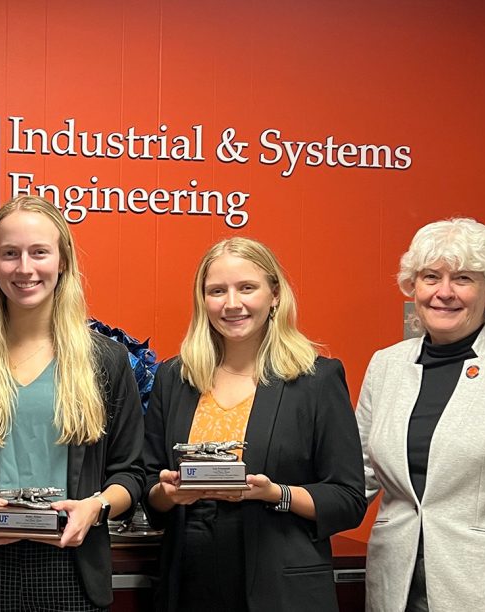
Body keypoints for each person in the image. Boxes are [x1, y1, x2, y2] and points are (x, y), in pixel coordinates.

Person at [0, 195, 145, 611]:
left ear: (63, 261)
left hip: (74, 571)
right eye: (10, 253)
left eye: (39, 252)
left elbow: (131, 472)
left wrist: (95, 508)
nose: (24, 268)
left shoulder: (105, 360)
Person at [143, 237, 366, 611]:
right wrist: (168, 494)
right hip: (190, 581)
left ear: (274, 294)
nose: (232, 303)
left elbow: (348, 498)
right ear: (203, 300)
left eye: (247, 288)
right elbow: (149, 485)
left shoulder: (316, 380)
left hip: (281, 588)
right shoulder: (175, 377)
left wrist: (275, 493)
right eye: (217, 291)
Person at [357, 218, 485, 612]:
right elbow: (358, 475)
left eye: (462, 278)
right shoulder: (386, 365)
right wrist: (279, 496)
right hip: (395, 586)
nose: (444, 292)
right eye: (431, 277)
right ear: (413, 286)